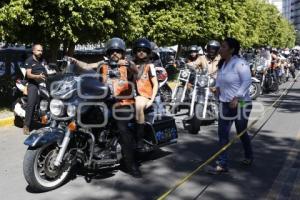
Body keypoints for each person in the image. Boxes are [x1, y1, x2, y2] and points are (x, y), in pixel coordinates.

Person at [70, 38, 142, 178]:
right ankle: (94, 148)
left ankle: (131, 165)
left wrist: (129, 63)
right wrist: (75, 61)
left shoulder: (126, 65)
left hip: (124, 102)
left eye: (118, 51)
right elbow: (86, 66)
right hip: (105, 101)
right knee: (86, 117)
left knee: (123, 129)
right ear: (108, 53)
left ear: (122, 53)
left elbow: (137, 72)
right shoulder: (103, 64)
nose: (115, 54)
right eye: (112, 51)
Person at [212, 37, 253, 173]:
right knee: (223, 134)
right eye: (221, 46)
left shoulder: (240, 64)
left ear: (232, 49)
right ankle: (223, 163)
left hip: (241, 103)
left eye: (223, 47)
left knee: (241, 132)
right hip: (225, 103)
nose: (220, 49)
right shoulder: (223, 64)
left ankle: (249, 155)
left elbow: (247, 81)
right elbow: (220, 80)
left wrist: (237, 97)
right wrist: (216, 88)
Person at [132, 38, 159, 151]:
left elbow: (155, 83)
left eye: (144, 50)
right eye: (139, 50)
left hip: (144, 95)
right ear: (135, 52)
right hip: (130, 95)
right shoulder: (131, 65)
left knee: (138, 105)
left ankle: (139, 139)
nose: (141, 52)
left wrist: (151, 100)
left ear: (148, 52)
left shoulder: (150, 66)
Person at [23, 44, 47, 135]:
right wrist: (38, 76)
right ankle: (26, 126)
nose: (40, 52)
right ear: (33, 51)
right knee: (31, 104)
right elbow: (28, 74)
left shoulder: (43, 60)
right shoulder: (29, 60)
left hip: (45, 83)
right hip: (33, 84)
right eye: (38, 50)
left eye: (41, 50)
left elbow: (47, 69)